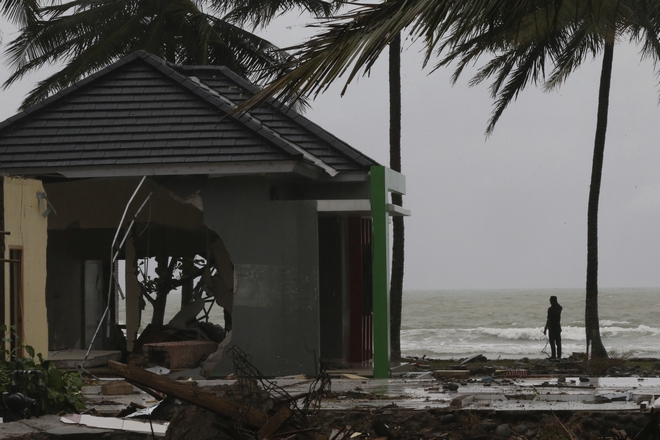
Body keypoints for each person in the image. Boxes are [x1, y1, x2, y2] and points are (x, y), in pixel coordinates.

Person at [543, 296, 562, 360]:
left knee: (552, 342)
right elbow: (559, 306)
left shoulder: (550, 309)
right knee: (558, 342)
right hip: (558, 327)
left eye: (550, 300)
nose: (550, 302)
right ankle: (559, 356)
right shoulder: (559, 308)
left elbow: (549, 319)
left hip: (552, 327)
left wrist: (545, 328)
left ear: (552, 301)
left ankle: (553, 355)